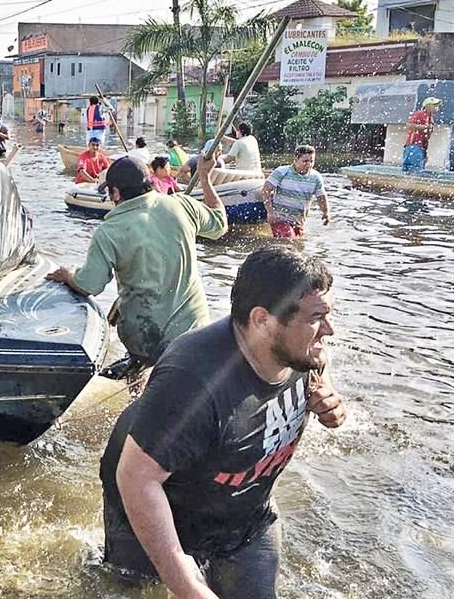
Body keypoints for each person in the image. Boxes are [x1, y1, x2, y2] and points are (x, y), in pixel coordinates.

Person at [100, 245, 347, 599]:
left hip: (246, 514)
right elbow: (136, 479)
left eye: (328, 315)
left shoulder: (304, 351)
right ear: (262, 320)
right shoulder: (193, 381)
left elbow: (322, 377)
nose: (330, 330)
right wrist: (191, 590)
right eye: (315, 318)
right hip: (161, 502)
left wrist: (332, 406)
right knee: (133, 590)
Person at [47, 155, 227, 370]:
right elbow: (219, 223)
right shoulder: (182, 205)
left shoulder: (109, 231)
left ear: (116, 193)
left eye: (109, 192)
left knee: (141, 381)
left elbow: (89, 285)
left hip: (145, 341)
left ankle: (136, 380)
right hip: (194, 333)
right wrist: (205, 178)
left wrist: (67, 275)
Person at [263, 145, 330, 239]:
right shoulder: (282, 172)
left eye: (311, 161)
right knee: (288, 240)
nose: (309, 164)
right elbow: (266, 190)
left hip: (299, 221)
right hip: (280, 218)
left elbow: (321, 197)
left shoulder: (316, 177)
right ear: (296, 159)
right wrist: (270, 212)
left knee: (298, 244)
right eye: (305, 161)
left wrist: (325, 213)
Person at [402, 97, 442, 172]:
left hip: (421, 147)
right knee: (414, 170)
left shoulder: (430, 118)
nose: (437, 107)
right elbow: (410, 125)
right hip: (414, 145)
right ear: (428, 106)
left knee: (417, 169)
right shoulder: (420, 114)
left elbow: (427, 135)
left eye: (437, 105)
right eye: (435, 105)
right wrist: (426, 127)